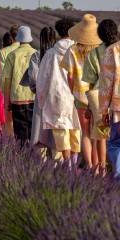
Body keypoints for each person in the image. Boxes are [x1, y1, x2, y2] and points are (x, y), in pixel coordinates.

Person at [60, 14, 102, 169]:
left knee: (84, 133)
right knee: (97, 135)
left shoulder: (72, 50)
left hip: (80, 96)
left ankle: (90, 165)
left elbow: (70, 75)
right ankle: (98, 166)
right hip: (98, 96)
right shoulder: (100, 50)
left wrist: (71, 91)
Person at [37, 17, 79, 167]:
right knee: (76, 131)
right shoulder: (79, 51)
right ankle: (74, 164)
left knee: (62, 133)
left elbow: (42, 79)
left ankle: (67, 166)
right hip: (77, 96)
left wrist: (42, 101)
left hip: (57, 97)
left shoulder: (51, 54)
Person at [83, 19, 118, 175]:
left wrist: (90, 107)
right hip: (114, 99)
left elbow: (92, 82)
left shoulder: (95, 53)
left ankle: (103, 170)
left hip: (103, 99)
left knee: (102, 137)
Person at [25, 27, 57, 157]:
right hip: (57, 95)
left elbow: (33, 77)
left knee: (40, 130)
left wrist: (35, 90)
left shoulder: (37, 55)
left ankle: (40, 161)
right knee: (56, 130)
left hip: (41, 96)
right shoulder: (59, 54)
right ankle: (57, 162)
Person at [2, 26, 37, 146]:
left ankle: (22, 157)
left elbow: (7, 80)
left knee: (20, 132)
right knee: (34, 130)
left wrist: (7, 101)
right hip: (34, 97)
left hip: (17, 98)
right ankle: (36, 158)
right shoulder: (36, 54)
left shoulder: (12, 55)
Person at [99, 39, 120, 179]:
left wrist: (103, 110)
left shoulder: (112, 50)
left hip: (118, 106)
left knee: (115, 142)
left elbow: (106, 84)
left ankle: (118, 176)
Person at [0, 25, 19, 137]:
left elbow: (3, 76)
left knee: (9, 121)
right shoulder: (32, 51)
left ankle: (12, 146)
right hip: (27, 92)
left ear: (10, 37)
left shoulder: (3, 52)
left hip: (10, 90)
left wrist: (3, 93)